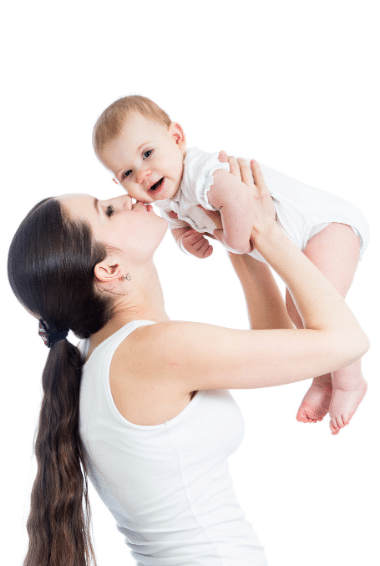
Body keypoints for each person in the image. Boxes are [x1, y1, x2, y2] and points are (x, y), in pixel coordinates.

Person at [8, 157, 368, 566]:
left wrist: (239, 243)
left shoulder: (108, 355)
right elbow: (347, 340)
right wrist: (266, 231)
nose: (129, 196)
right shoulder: (151, 352)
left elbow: (283, 340)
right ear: (108, 271)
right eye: (107, 210)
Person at [92, 95, 370, 435]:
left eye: (147, 153)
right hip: (301, 241)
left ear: (177, 138)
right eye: (128, 173)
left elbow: (237, 198)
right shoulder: (168, 200)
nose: (143, 173)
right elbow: (182, 225)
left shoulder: (201, 171)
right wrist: (185, 241)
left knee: (309, 311)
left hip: (325, 227)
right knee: (301, 313)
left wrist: (235, 241)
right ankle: (325, 379)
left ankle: (349, 383)